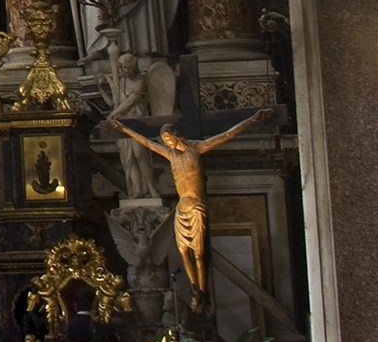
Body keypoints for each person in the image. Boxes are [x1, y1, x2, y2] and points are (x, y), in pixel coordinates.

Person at [113, 107, 277, 306]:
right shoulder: (171, 155)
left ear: (177, 136)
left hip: (196, 205)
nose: (168, 144)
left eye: (169, 140)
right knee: (183, 250)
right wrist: (124, 129)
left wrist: (252, 120)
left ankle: (202, 289)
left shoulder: (197, 149)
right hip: (182, 207)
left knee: (199, 253)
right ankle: (193, 287)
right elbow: (146, 143)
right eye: (165, 142)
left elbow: (227, 134)